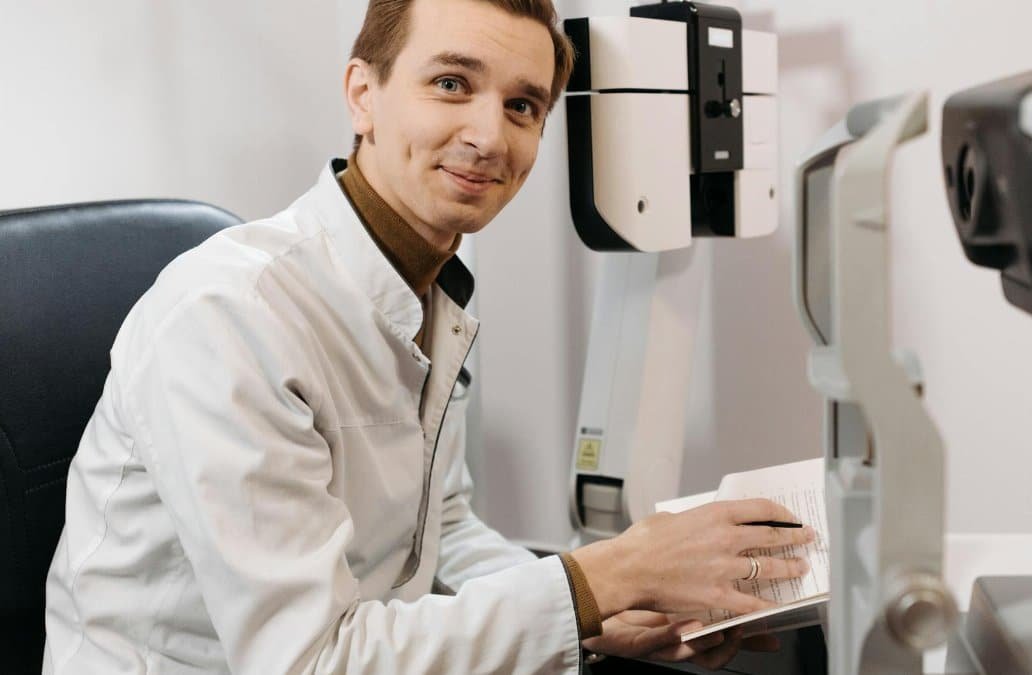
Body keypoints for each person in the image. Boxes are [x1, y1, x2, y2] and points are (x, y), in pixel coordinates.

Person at [42, 0, 814, 672]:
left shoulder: (427, 296)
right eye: (452, 84)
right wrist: (604, 577)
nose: (488, 134)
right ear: (363, 95)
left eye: (523, 106)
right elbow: (310, 661)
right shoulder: (229, 316)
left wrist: (605, 617)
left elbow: (439, 533)